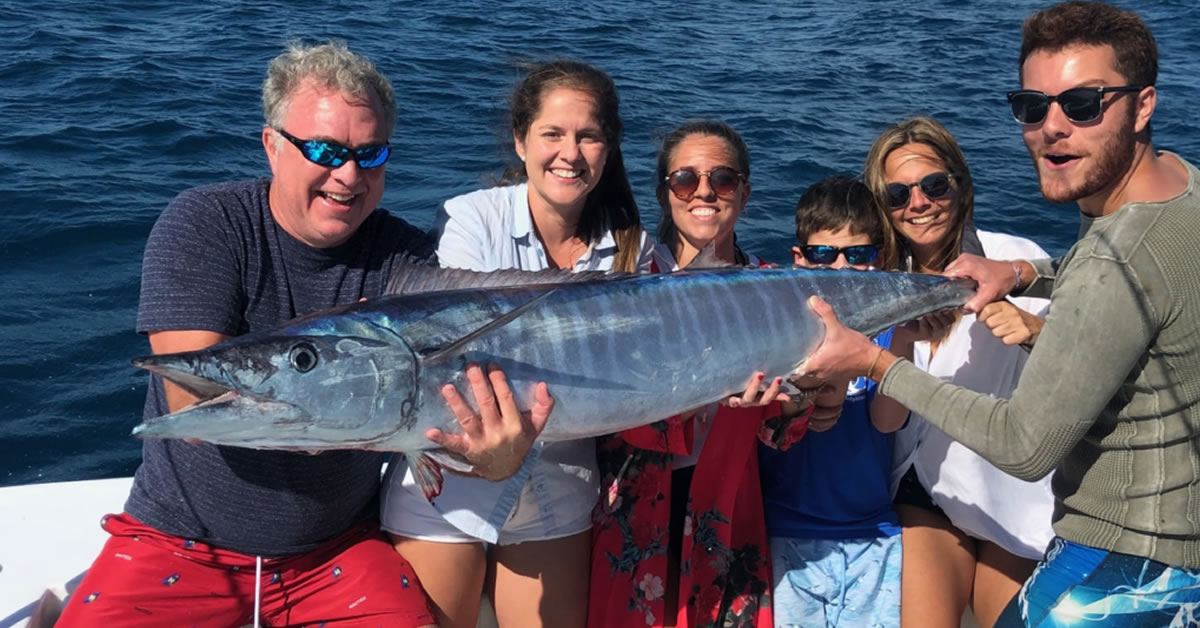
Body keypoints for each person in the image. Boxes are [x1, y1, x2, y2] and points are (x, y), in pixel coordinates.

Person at [56, 42, 549, 628]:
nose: (347, 174)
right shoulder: (207, 223)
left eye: (371, 154)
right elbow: (193, 400)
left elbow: (438, 422)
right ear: (272, 145)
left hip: (337, 550)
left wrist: (494, 459)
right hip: (180, 541)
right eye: (324, 150)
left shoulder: (408, 261)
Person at [803, 3, 1200, 626]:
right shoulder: (1178, 192)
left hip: (1073, 524)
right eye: (1033, 108)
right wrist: (909, 336)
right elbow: (1117, 307)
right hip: (938, 491)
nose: (1052, 127)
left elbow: (1035, 431)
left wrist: (1032, 326)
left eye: (1083, 104)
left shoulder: (1074, 258)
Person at [380, 59, 653, 628]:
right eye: (552, 134)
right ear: (520, 139)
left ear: (609, 148)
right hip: (446, 477)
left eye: (588, 136)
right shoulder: (471, 218)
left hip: (558, 484)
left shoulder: (632, 246)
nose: (570, 153)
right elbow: (460, 344)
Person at [587, 119, 833, 628]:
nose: (704, 192)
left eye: (721, 180)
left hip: (727, 508)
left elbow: (785, 427)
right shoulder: (623, 284)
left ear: (743, 193)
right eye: (685, 180)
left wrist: (792, 402)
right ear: (665, 195)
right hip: (632, 510)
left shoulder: (778, 288)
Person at [859, 117, 1057, 628]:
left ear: (960, 184)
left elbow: (1081, 377)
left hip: (1009, 491)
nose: (918, 203)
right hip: (921, 485)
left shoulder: (1018, 262)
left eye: (933, 185)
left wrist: (1034, 331)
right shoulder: (876, 282)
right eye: (898, 193)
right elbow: (887, 420)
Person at [758, 175, 911, 628]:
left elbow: (888, 422)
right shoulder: (774, 332)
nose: (841, 267)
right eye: (825, 255)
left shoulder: (886, 333)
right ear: (799, 259)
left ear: (877, 259)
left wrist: (882, 350)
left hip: (874, 537)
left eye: (858, 255)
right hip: (784, 534)